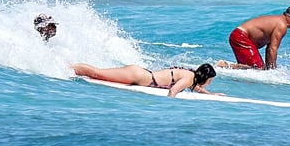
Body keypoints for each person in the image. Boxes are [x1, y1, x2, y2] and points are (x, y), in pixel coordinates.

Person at [225, 5, 290, 69]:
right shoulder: (282, 25)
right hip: (241, 37)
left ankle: (228, 67)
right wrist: (274, 72)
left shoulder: (279, 22)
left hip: (239, 36)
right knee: (257, 68)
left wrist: (269, 69)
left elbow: (269, 49)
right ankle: (224, 66)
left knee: (255, 68)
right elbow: (272, 49)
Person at [72, 62, 218, 97]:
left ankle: (72, 68)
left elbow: (195, 87)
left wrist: (210, 94)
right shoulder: (189, 77)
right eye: (210, 80)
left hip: (140, 75)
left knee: (98, 74)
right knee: (97, 73)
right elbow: (174, 90)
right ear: (205, 77)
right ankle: (68, 66)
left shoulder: (190, 76)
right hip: (138, 76)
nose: (209, 83)